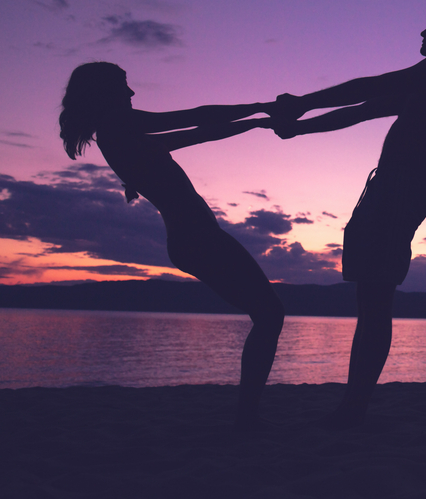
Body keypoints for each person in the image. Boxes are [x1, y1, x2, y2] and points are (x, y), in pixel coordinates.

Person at [272, 6, 426, 427]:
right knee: (370, 300)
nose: (422, 31)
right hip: (392, 188)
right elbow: (364, 108)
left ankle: (354, 409)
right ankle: (353, 405)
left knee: (376, 300)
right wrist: (301, 126)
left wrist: (303, 103)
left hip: (399, 190)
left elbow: (371, 86)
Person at [59, 62, 284, 430]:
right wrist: (261, 107)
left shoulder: (121, 134)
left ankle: (248, 414)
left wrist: (258, 122)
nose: (131, 94)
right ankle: (247, 417)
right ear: (103, 93)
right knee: (270, 314)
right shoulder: (118, 125)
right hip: (197, 239)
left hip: (192, 240)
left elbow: (201, 133)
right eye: (123, 87)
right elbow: (193, 116)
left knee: (269, 315)